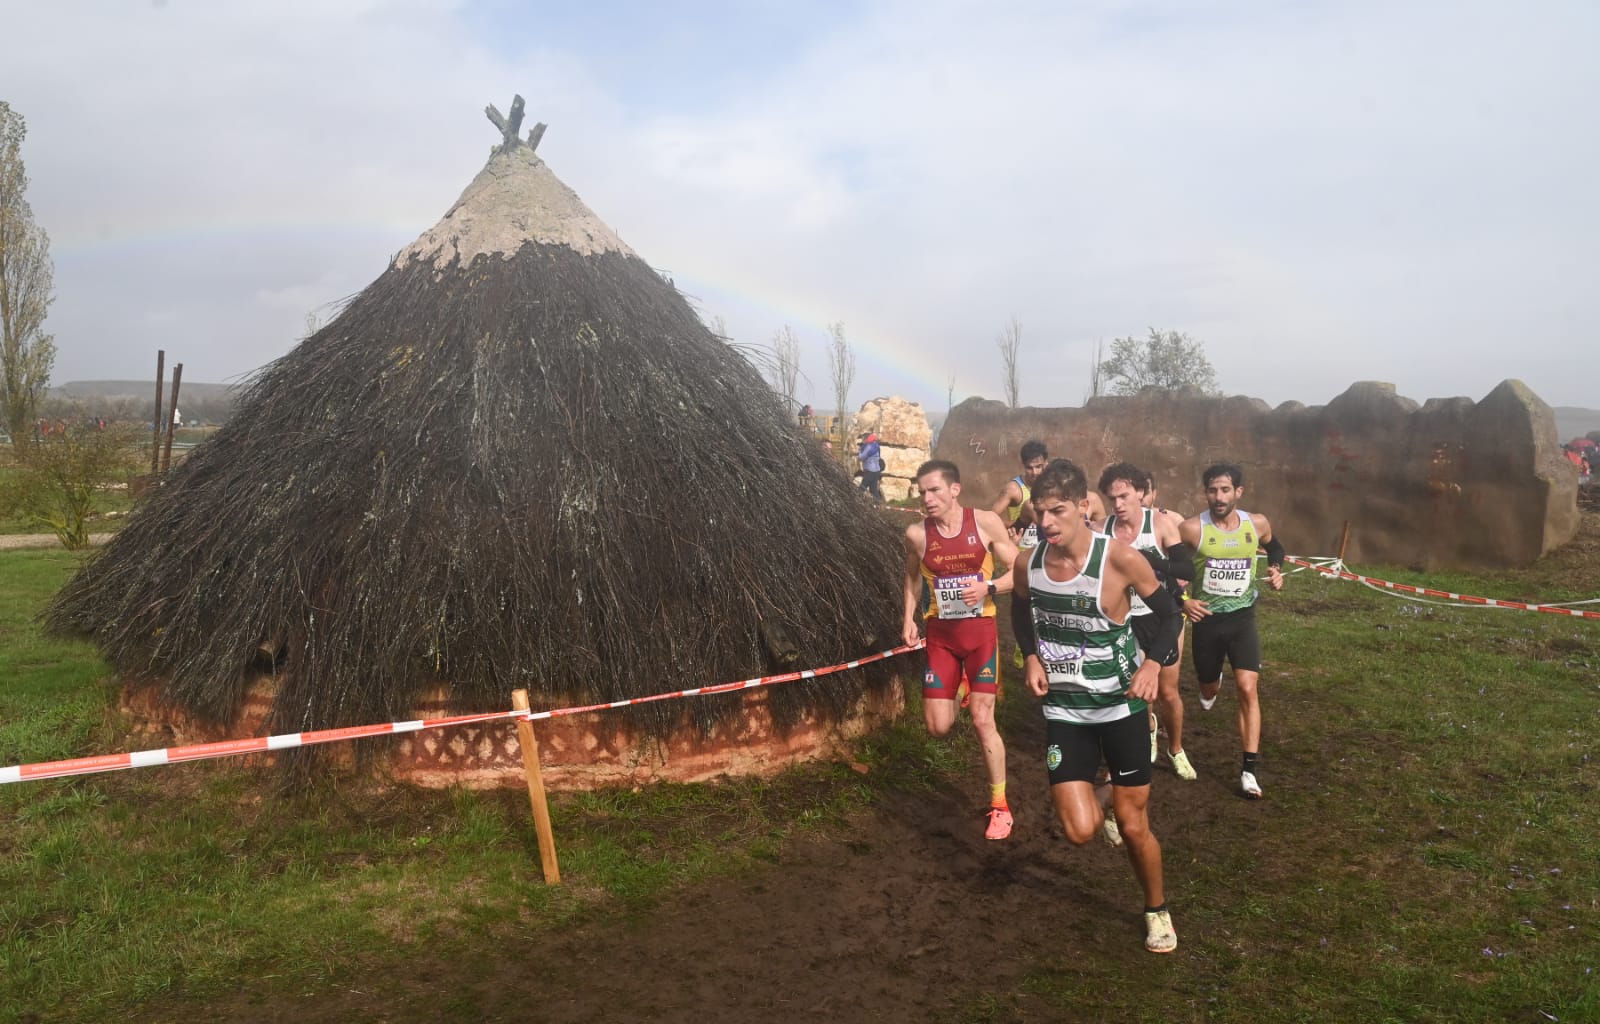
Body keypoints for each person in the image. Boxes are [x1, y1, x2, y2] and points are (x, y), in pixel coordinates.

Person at [1010, 458, 1183, 953]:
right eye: (1039, 512)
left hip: (1122, 707)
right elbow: (1021, 610)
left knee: (1133, 826)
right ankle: (1102, 797)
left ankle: (1156, 910)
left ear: (1084, 507)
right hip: (1066, 712)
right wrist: (1029, 655)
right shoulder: (1029, 563)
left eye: (1056, 511)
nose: (1045, 523)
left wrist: (1152, 665)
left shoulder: (1120, 559)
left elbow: (1169, 612)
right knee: (1080, 831)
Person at [902, 460, 1019, 840]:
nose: (927, 498)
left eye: (934, 490)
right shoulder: (917, 535)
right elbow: (911, 577)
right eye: (922, 492)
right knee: (938, 727)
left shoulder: (984, 522)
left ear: (955, 489)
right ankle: (962, 684)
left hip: (981, 634)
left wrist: (989, 588)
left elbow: (1018, 571)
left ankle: (1000, 806)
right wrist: (908, 618)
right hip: (941, 637)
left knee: (985, 722)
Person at [1178, 463, 1285, 800]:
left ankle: (1249, 771)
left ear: (1239, 491)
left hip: (1242, 618)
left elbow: (1276, 547)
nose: (1219, 496)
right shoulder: (1192, 529)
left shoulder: (1257, 524)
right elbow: (1169, 570)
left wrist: (1276, 568)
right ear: (1205, 492)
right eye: (1212, 490)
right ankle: (1211, 686)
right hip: (1206, 621)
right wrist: (1184, 601)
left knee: (1248, 687)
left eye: (1225, 490)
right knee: (1207, 685)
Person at [1096, 463, 1197, 781]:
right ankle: (1147, 733)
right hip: (1127, 619)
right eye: (1113, 498)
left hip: (1162, 616)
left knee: (1168, 692)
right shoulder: (1103, 529)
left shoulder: (1161, 524)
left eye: (1124, 496)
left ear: (1141, 493)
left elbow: (1187, 571)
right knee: (1137, 688)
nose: (1119, 504)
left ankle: (1176, 748)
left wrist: (1146, 560)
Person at [992, 440, 1050, 547]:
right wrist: (1013, 524)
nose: (1034, 472)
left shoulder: (1051, 485)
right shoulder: (1013, 489)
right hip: (1021, 550)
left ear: (1046, 463)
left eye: (1038, 466)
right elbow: (990, 517)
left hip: (1044, 548)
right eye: (1029, 468)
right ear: (1023, 465)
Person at [857, 432, 885, 502]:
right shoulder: (875, 445)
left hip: (870, 471)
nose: (862, 441)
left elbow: (861, 457)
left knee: (861, 489)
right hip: (875, 471)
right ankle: (878, 505)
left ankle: (855, 504)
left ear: (865, 439)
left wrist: (860, 451)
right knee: (873, 490)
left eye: (862, 439)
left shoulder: (869, 447)